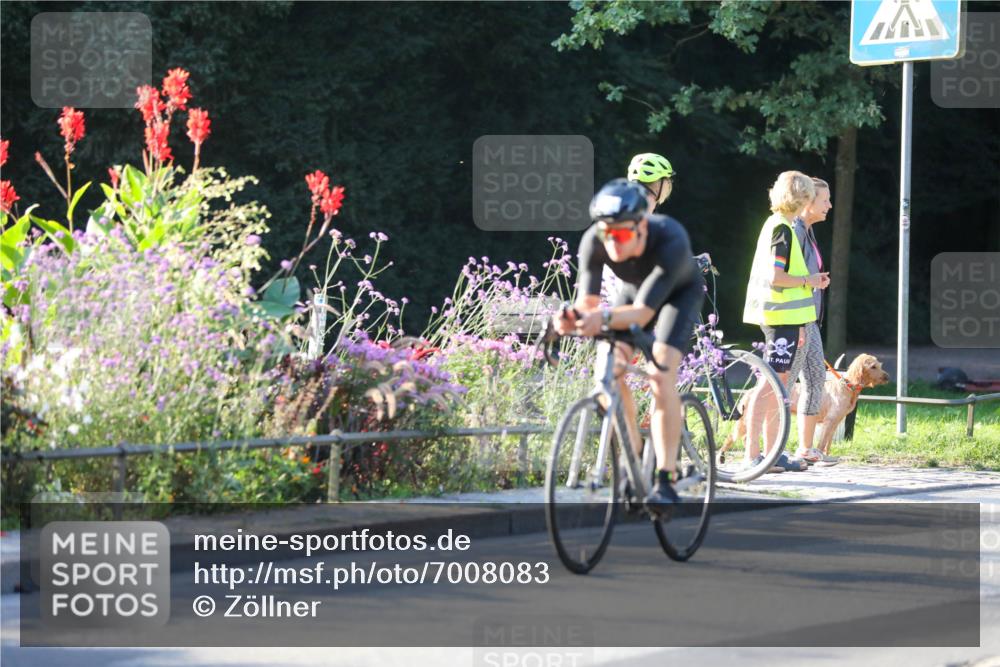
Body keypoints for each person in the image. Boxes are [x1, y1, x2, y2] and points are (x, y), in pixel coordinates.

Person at [554, 178, 704, 512]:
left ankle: (666, 478)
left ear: (641, 226)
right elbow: (588, 303)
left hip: (676, 296)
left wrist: (602, 319)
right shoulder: (594, 239)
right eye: (607, 234)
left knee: (660, 373)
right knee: (607, 372)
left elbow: (643, 313)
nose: (612, 242)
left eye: (621, 235)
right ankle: (634, 458)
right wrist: (568, 318)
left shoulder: (670, 238)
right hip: (633, 292)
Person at [742, 171, 829, 473]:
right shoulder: (781, 229)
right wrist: (810, 280)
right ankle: (753, 455)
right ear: (801, 198)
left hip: (791, 320)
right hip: (780, 319)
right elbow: (777, 278)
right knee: (771, 386)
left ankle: (772, 452)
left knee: (781, 389)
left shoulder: (782, 226)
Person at [791, 177, 835, 464]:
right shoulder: (793, 231)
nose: (830, 205)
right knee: (780, 384)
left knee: (816, 378)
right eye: (824, 200)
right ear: (807, 202)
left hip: (810, 318)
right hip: (794, 318)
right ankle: (763, 451)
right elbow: (780, 277)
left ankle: (806, 448)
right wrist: (811, 281)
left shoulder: (807, 231)